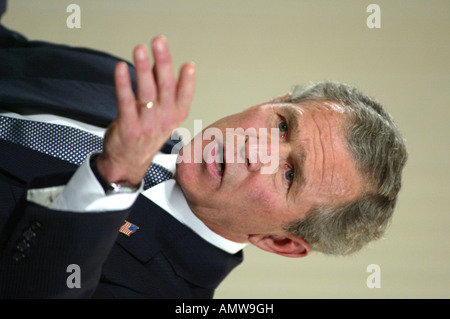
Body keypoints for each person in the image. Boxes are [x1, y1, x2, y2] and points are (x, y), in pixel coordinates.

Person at [0, 2, 407, 298]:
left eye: (289, 174)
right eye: (282, 124)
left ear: (279, 242)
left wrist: (115, 177)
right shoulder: (135, 88)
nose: (258, 149)